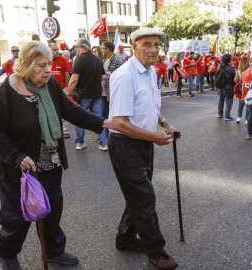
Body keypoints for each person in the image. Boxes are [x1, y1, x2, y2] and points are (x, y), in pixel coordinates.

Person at [0, 41, 111, 270]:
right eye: (41, 65)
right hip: (20, 166)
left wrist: (103, 123)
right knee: (17, 216)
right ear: (26, 65)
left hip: (50, 163)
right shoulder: (9, 90)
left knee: (52, 210)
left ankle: (53, 250)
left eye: (50, 64)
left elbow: (71, 110)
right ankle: (7, 252)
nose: (48, 71)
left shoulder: (49, 84)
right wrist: (15, 156)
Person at [108, 27, 179, 270]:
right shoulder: (125, 75)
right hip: (126, 145)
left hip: (143, 144)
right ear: (134, 46)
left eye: (156, 45)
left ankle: (125, 238)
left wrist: (165, 124)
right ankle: (156, 252)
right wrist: (153, 136)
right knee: (144, 197)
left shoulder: (150, 72)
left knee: (137, 195)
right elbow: (118, 122)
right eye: (147, 44)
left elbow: (147, 106)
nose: (153, 49)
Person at [67, 39, 106, 150]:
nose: (75, 50)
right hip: (97, 94)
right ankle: (103, 143)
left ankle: (80, 142)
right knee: (99, 119)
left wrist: (68, 93)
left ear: (84, 48)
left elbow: (74, 79)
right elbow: (103, 76)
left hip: (83, 95)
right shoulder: (98, 60)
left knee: (79, 118)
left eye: (77, 47)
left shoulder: (80, 60)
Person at [100, 41, 123, 151]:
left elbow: (117, 76)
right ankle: (104, 136)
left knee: (111, 115)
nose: (101, 50)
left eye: (102, 48)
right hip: (103, 92)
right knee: (104, 114)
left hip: (111, 92)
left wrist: (104, 77)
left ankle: (112, 136)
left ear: (107, 49)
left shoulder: (116, 61)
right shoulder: (104, 60)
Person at [49, 43, 72, 138]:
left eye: (57, 49)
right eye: (54, 49)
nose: (57, 51)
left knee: (62, 109)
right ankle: (52, 131)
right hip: (48, 90)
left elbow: (67, 75)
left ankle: (64, 131)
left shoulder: (62, 60)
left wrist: (66, 87)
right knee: (51, 110)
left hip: (61, 89)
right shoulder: (46, 60)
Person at [217, 54, 236, 121]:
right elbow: (235, 78)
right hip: (228, 86)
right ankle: (227, 116)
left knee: (221, 99)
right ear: (229, 60)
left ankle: (220, 113)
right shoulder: (231, 68)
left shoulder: (220, 66)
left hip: (220, 85)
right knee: (229, 101)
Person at [234, 56, 250, 124]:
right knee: (248, 105)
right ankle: (247, 119)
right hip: (248, 88)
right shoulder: (250, 69)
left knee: (241, 103)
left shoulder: (239, 70)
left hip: (241, 88)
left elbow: (235, 80)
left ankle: (238, 117)